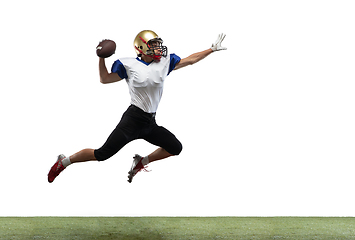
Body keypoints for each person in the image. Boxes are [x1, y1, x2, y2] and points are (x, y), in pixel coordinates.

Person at [48, 30, 227, 183]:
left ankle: (142, 161)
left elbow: (190, 60)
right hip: (132, 121)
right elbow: (105, 79)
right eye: (153, 44)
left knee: (175, 148)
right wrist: (101, 58)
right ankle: (63, 162)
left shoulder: (164, 63)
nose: (158, 47)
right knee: (102, 154)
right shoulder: (128, 64)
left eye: (158, 43)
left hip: (150, 123)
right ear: (141, 47)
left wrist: (211, 49)